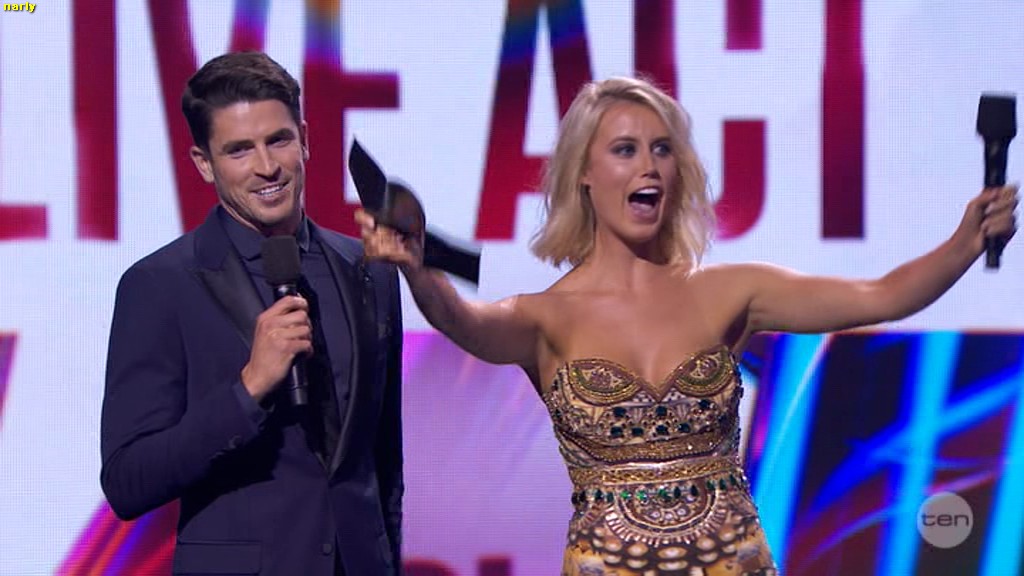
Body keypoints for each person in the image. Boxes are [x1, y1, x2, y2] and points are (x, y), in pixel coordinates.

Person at [356, 76, 1017, 575]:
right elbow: (465, 323)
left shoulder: (731, 291)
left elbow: (881, 296)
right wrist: (419, 272)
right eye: (625, 150)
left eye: (662, 150)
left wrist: (964, 243)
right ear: (584, 175)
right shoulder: (545, 316)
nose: (649, 166)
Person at [100, 51, 404, 576]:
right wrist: (248, 390)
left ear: (304, 138)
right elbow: (128, 481)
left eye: (278, 140)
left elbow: (385, 461)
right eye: (239, 150)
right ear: (204, 163)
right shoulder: (160, 285)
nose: (266, 167)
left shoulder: (368, 270)